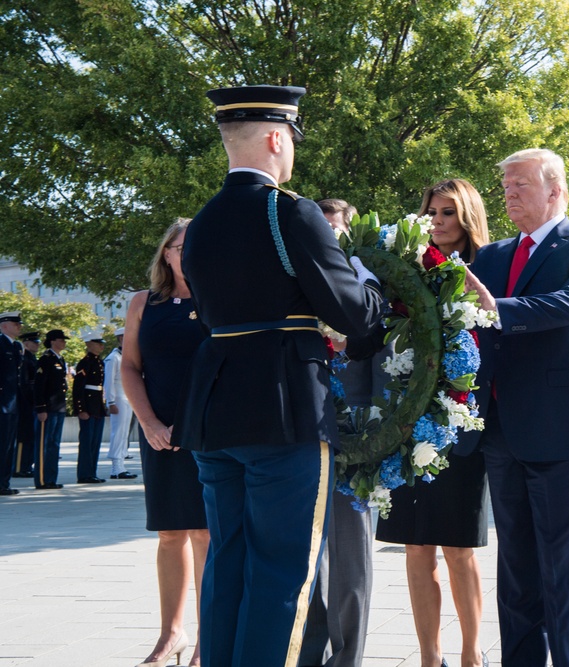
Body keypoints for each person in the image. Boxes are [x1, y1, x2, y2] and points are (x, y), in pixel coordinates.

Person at [172, 85, 384, 667]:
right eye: (290, 139)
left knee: (229, 568)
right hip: (284, 408)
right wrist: (376, 290)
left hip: (215, 411)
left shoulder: (203, 223)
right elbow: (353, 314)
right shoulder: (290, 211)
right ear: (274, 137)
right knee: (281, 574)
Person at [462, 148, 569, 666]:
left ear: (556, 190)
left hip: (565, 432)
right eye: (504, 186)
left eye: (520, 185)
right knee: (518, 575)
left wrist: (498, 309)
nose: (508, 194)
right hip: (503, 431)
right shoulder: (489, 257)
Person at [375, 179, 491, 667]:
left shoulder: (488, 265)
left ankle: (470, 655)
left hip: (460, 427)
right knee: (416, 548)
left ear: (466, 218)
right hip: (403, 423)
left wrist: (460, 276)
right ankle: (429, 658)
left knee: (458, 548)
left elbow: (492, 318)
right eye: (432, 212)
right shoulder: (401, 272)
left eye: (448, 213)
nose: (439, 222)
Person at [121, 219, 208, 667]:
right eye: (181, 246)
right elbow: (131, 368)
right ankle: (171, 634)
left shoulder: (225, 303)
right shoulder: (143, 303)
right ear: (166, 253)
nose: (188, 253)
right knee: (171, 532)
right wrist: (150, 422)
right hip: (160, 433)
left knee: (207, 533)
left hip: (212, 432)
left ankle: (207, 641)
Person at [299, 197, 380, 667]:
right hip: (303, 425)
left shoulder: (367, 274)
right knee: (306, 553)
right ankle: (310, 652)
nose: (328, 234)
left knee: (350, 555)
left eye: (335, 227)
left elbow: (377, 339)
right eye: (321, 227)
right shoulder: (296, 274)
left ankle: (347, 656)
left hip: (354, 427)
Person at [34, 329, 70, 490]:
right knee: (45, 444)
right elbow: (39, 386)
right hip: (48, 408)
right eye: (61, 340)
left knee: (54, 445)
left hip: (59, 407)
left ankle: (51, 479)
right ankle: (42, 479)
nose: (64, 342)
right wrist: (41, 408)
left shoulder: (59, 359)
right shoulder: (46, 359)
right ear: (53, 341)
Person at [73, 331, 107, 484]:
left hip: (97, 406)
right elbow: (78, 388)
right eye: (97, 342)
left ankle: (91, 472)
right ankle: (84, 474)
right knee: (87, 442)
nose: (101, 345)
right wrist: (81, 409)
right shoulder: (85, 362)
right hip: (88, 406)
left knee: (95, 442)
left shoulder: (99, 361)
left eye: (101, 343)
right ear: (88, 344)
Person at [104, 327, 136, 480]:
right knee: (118, 433)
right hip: (118, 399)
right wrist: (110, 401)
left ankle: (121, 465)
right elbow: (108, 382)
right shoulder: (114, 358)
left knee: (124, 434)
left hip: (128, 398)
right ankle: (116, 467)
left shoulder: (126, 356)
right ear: (121, 339)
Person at [0, 311, 23, 496]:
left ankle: (4, 483)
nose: (19, 327)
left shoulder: (16, 346)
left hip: (13, 403)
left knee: (9, 445)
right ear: (4, 325)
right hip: (2, 403)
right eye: (16, 324)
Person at [13, 330, 40, 478]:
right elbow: (24, 384)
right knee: (24, 436)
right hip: (25, 404)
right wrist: (29, 401)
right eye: (34, 342)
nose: (37, 345)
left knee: (30, 436)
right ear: (26, 343)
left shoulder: (32, 359)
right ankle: (19, 467)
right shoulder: (25, 360)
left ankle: (27, 465)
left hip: (32, 403)